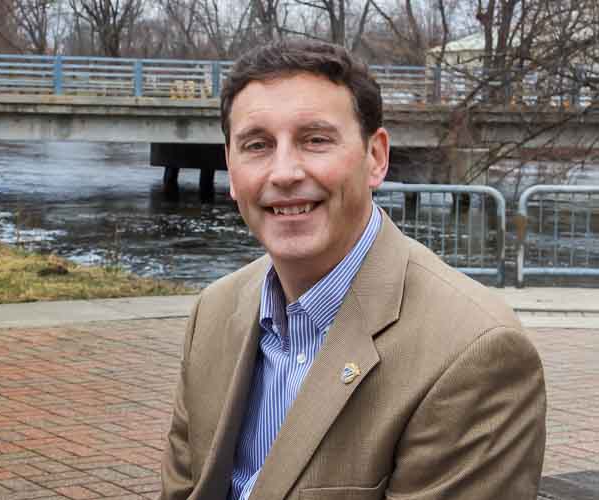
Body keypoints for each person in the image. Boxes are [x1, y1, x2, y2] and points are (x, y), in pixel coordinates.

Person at [160, 39, 546, 500]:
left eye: (315, 140)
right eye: (257, 145)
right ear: (230, 167)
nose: (283, 172)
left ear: (376, 157)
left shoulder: (474, 353)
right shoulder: (213, 311)